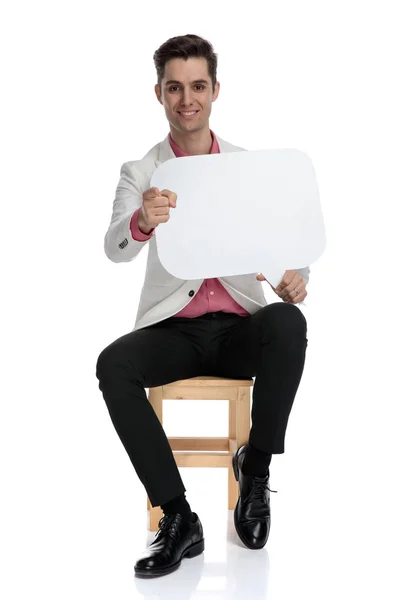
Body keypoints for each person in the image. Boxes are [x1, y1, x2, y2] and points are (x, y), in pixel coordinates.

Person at [95, 34, 309, 579]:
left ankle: (255, 468)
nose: (186, 99)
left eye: (197, 86)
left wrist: (293, 279)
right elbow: (115, 248)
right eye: (174, 88)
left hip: (240, 328)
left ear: (215, 90)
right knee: (112, 364)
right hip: (175, 331)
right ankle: (179, 516)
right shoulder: (141, 172)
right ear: (159, 94)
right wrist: (142, 220)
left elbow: (290, 250)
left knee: (288, 322)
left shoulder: (245, 166)